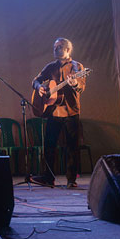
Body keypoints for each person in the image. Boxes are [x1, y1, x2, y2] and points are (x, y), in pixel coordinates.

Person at [32, 38, 87, 189]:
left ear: (68, 50)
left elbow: (81, 86)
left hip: (70, 112)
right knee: (49, 146)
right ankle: (48, 178)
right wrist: (39, 88)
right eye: (55, 47)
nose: (56, 49)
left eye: (60, 47)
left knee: (72, 147)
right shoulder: (50, 67)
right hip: (53, 112)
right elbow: (35, 81)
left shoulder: (77, 66)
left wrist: (75, 83)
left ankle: (71, 180)